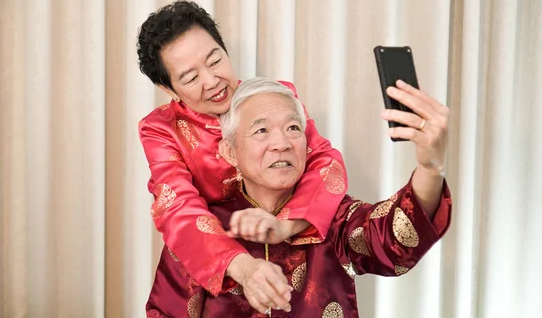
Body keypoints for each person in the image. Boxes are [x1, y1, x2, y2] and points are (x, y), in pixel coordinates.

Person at [146, 78, 452, 317]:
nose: (281, 143)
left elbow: (395, 237)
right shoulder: (205, 233)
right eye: (261, 130)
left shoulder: (334, 217)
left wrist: (430, 167)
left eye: (293, 128)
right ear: (230, 152)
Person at [137, 0, 349, 311]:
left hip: (291, 248)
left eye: (215, 60)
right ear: (167, 88)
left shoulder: (271, 98)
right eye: (190, 78)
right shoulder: (161, 129)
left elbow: (324, 162)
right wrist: (242, 267)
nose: (212, 82)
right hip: (213, 263)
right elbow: (176, 205)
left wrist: (286, 227)